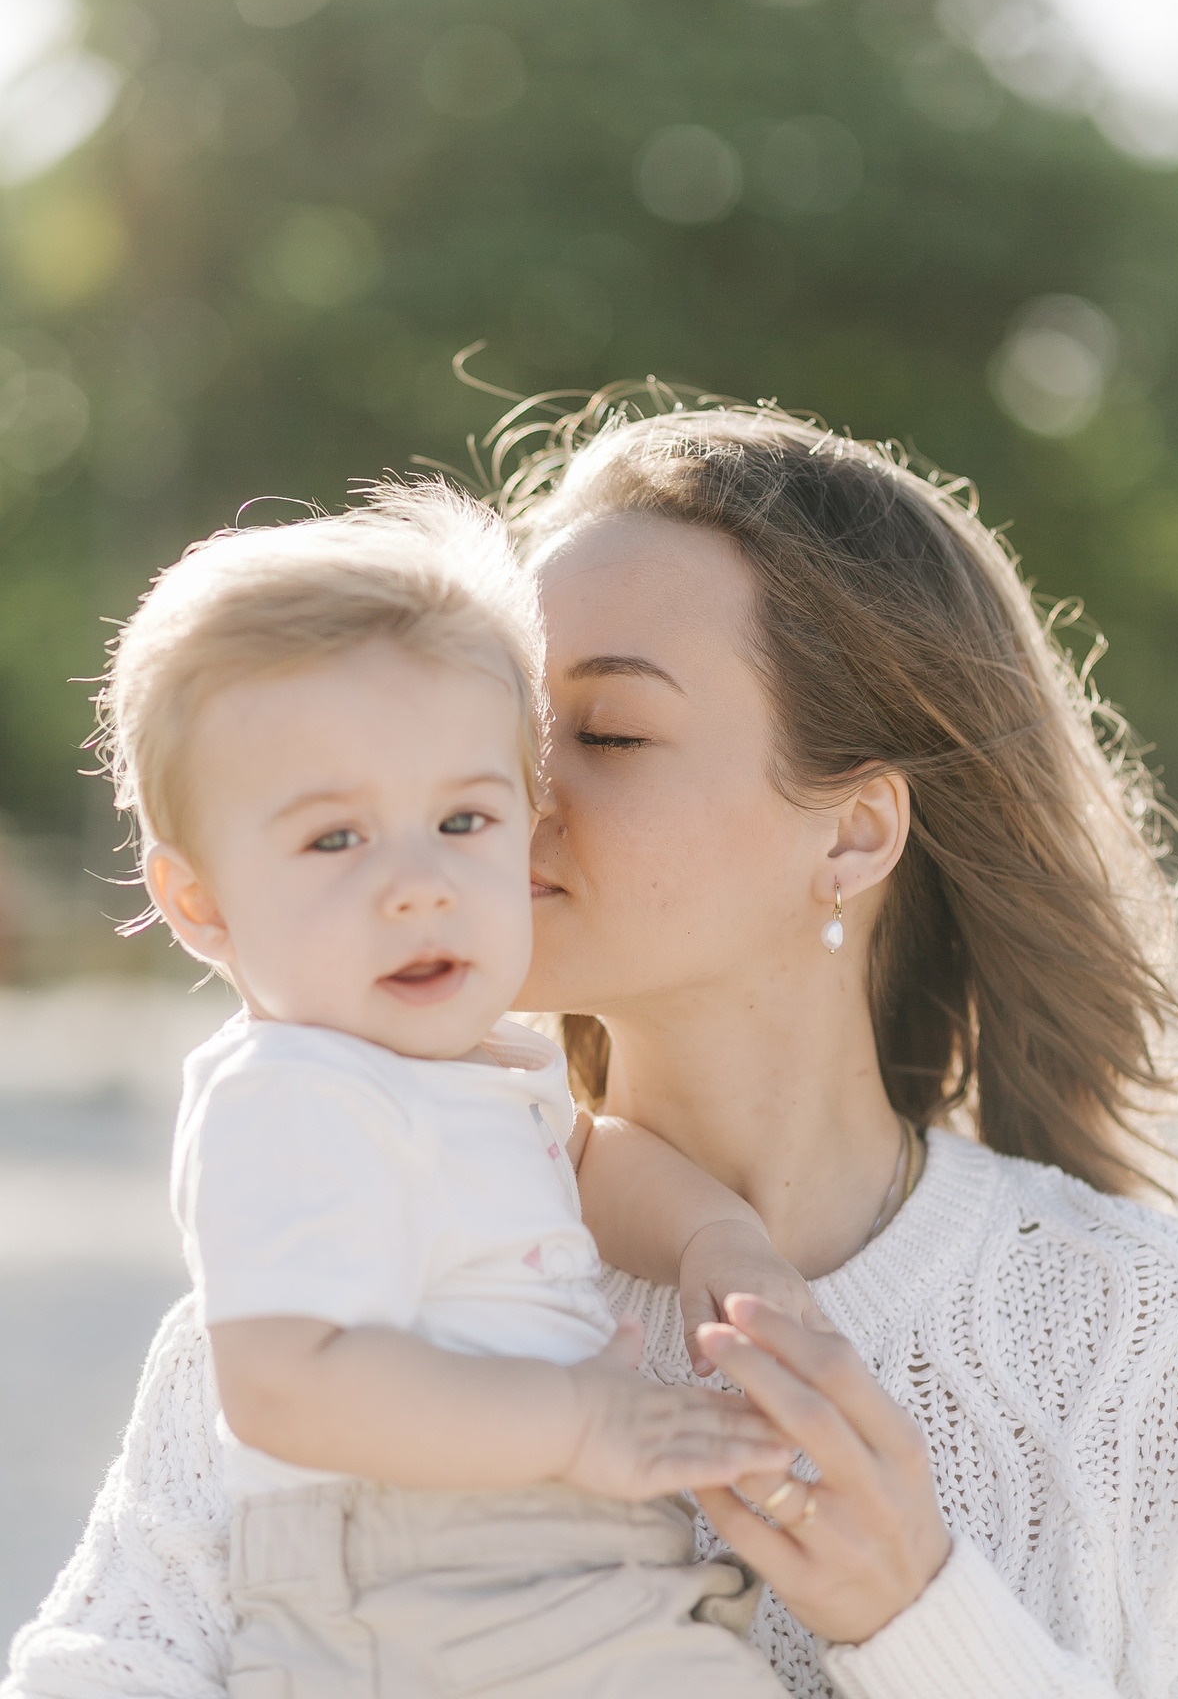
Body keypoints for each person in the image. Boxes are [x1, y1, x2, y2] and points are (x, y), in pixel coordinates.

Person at [6, 391, 1178, 1699]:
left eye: (610, 733)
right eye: (509, 732)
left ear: (853, 832)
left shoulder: (1142, 1332)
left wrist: (915, 1610)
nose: (509, 798)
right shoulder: (336, 1266)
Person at [86, 485, 803, 1698]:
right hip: (408, 1582)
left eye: (462, 820)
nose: (418, 885)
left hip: (570, 1566)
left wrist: (713, 1235)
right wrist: (578, 1423)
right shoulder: (288, 1096)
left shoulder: (484, 1066)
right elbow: (282, 1385)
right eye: (335, 839)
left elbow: (588, 1158)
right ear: (201, 902)